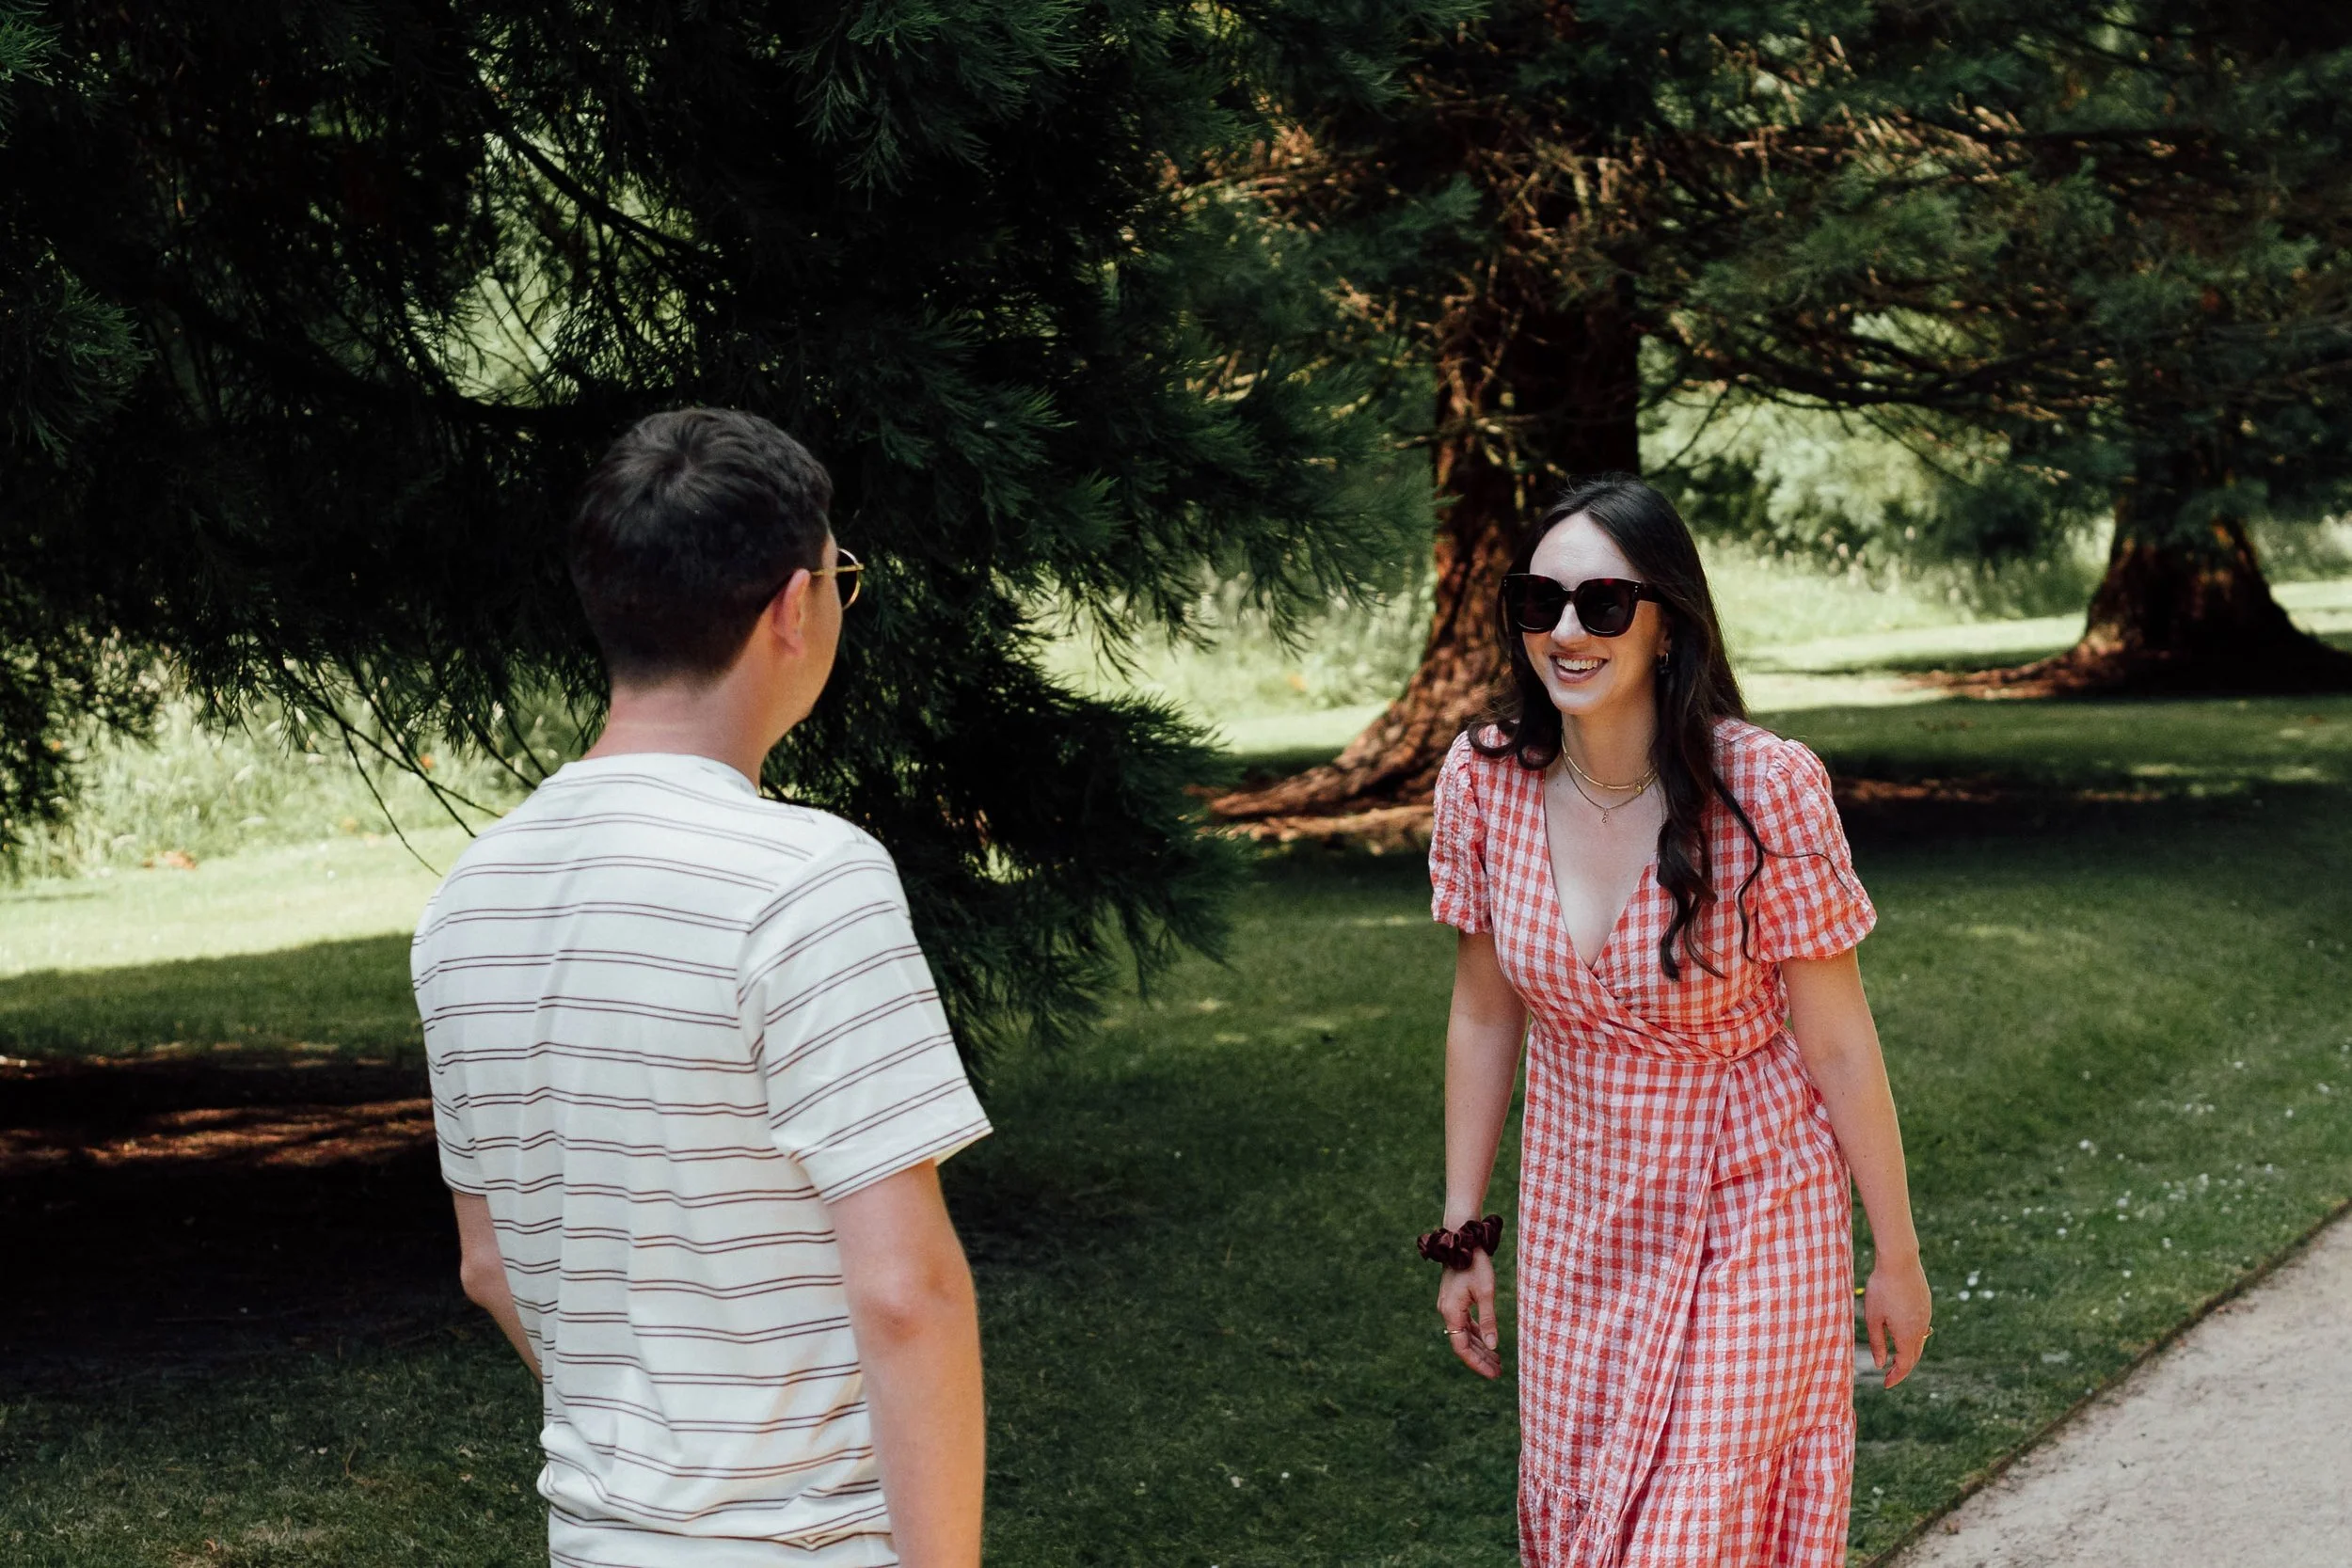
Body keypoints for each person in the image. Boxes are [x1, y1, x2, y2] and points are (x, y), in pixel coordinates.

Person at [415, 408, 992, 1568]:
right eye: (840, 576)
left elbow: (489, 1266)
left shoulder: (466, 898)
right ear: (793, 607)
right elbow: (905, 1293)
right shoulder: (808, 878)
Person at [1422, 474, 1932, 1566]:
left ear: (1665, 623)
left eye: (1602, 603)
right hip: (1578, 1215)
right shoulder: (1484, 781)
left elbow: (1839, 1042)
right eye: (1538, 601)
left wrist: (1894, 1254)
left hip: (1751, 1202)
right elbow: (1481, 1011)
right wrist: (1463, 1233)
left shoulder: (1765, 786)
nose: (1566, 631)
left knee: (1690, 1536)